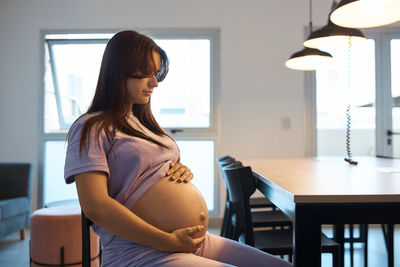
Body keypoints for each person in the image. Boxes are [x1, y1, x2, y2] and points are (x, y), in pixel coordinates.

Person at [64, 30, 292, 267]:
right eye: (147, 74)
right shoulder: (91, 127)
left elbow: (147, 172)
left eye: (156, 74)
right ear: (120, 69)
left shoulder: (143, 125)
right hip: (140, 252)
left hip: (193, 242)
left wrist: (179, 170)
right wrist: (165, 240)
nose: (154, 83)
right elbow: (95, 206)